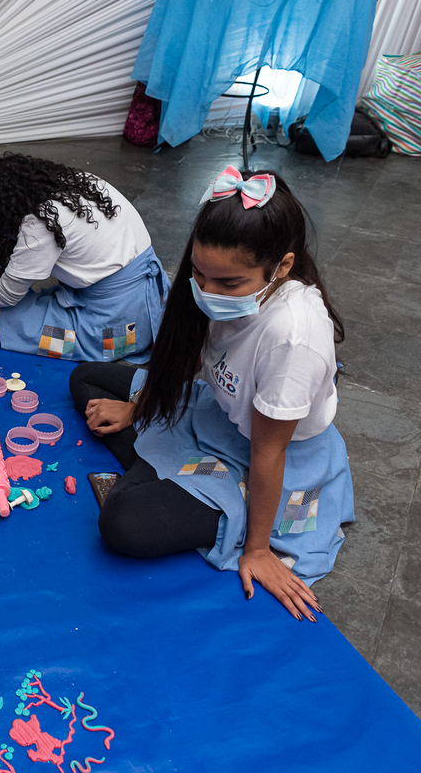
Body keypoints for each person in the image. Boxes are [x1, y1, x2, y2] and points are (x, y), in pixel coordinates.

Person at [70, 166, 354, 621]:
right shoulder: (216, 286)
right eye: (199, 274)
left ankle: (170, 476)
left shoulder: (292, 339)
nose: (207, 291)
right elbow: (186, 355)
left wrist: (257, 550)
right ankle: (166, 471)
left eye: (228, 283)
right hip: (216, 417)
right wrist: (140, 406)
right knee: (87, 379)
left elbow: (268, 452)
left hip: (267, 460)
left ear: (282, 267)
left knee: (122, 522)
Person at [0, 153, 169, 363]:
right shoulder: (75, 182)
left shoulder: (41, 222)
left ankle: (109, 343)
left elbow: (6, 295)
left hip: (118, 329)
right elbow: (23, 263)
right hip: (152, 300)